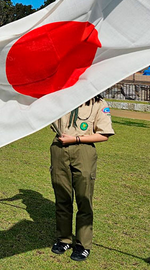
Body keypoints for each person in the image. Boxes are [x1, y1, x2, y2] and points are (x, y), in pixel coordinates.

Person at [49, 95, 114, 261]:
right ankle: (63, 239)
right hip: (59, 149)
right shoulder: (61, 99)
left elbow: (104, 134)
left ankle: (83, 245)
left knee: (84, 199)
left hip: (83, 150)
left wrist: (76, 138)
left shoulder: (98, 103)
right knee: (62, 197)